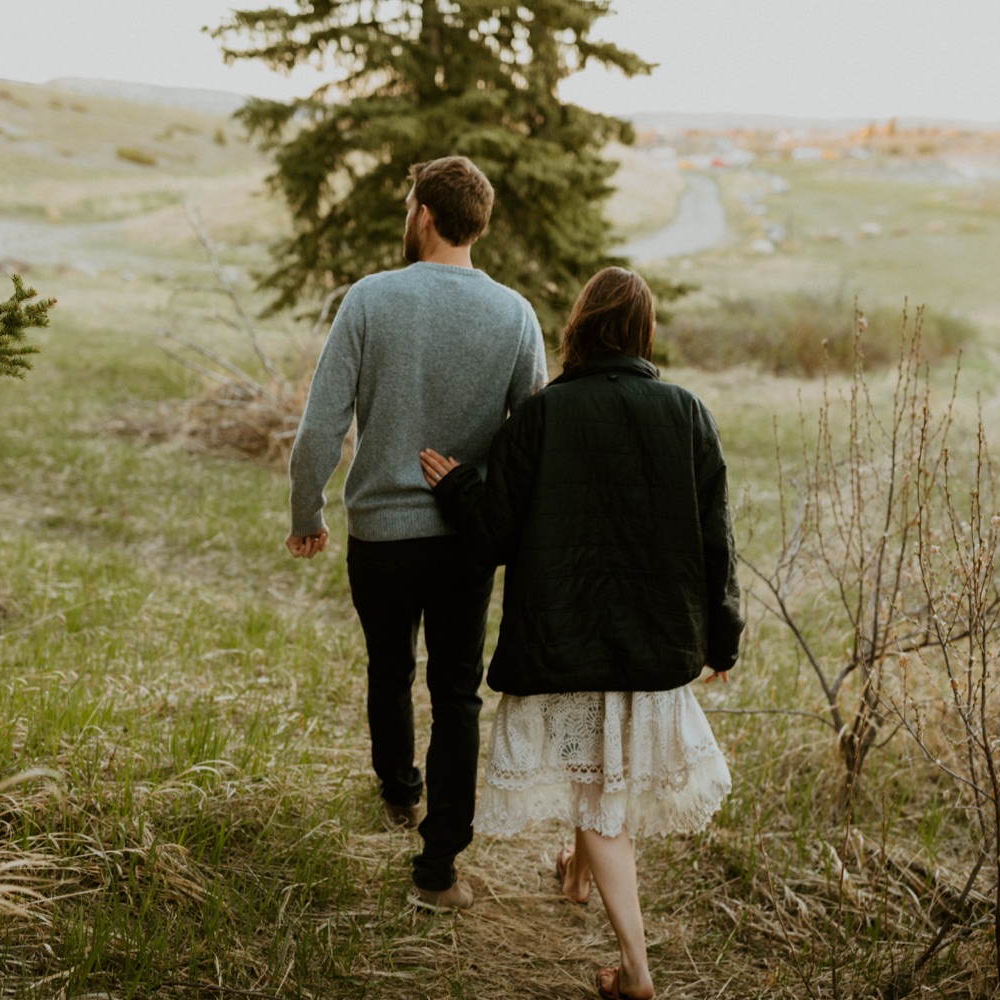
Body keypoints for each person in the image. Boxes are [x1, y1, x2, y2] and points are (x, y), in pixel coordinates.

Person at [419, 267, 741, 1000]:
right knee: (600, 783)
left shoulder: (541, 415)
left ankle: (635, 970)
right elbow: (717, 540)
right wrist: (722, 640)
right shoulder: (686, 411)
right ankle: (574, 875)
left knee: (597, 792)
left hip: (566, 645)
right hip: (653, 647)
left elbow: (492, 536)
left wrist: (459, 486)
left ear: (580, 328)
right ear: (644, 333)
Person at [286, 155, 548, 911]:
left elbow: (318, 431)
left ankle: (400, 789)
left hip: (381, 536)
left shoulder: (370, 299)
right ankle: (438, 872)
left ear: (425, 214)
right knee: (457, 692)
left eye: (410, 204)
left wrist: (309, 513)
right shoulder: (516, 316)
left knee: (389, 667)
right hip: (467, 536)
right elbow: (529, 440)